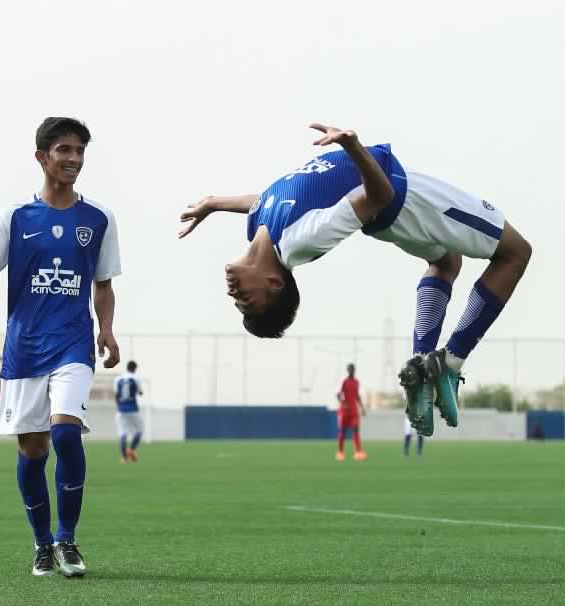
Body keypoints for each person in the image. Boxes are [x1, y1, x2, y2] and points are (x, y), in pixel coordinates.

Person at [178, 122, 531, 438]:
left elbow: (264, 200)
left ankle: (422, 365)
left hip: (399, 214)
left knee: (445, 263)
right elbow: (380, 196)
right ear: (274, 283)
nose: (233, 293)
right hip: (412, 200)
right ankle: (451, 363)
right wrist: (353, 146)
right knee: (515, 253)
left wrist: (213, 203)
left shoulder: (260, 226)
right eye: (247, 300)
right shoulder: (303, 240)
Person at [0, 117, 122, 578]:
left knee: (67, 433)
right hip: (25, 349)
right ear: (41, 156)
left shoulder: (99, 218)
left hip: (73, 342)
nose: (73, 158)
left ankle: (68, 540)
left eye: (80, 151)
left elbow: (103, 284)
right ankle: (42, 543)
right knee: (32, 450)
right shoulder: (14, 217)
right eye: (64, 149)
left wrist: (106, 329)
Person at [336, 363, 368, 461]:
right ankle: (340, 452)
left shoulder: (356, 382)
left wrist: (362, 407)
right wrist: (342, 403)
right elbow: (338, 394)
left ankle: (358, 452)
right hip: (344, 410)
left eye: (352, 369)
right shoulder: (344, 381)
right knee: (343, 431)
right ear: (347, 370)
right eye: (349, 369)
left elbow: (357, 395)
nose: (351, 371)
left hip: (354, 410)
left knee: (355, 430)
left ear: (354, 370)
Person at [114, 360, 144, 463]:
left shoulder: (118, 379)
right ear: (135, 369)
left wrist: (119, 406)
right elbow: (140, 393)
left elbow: (116, 395)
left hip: (121, 410)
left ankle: (123, 458)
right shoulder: (136, 378)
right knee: (139, 430)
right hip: (133, 409)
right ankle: (131, 449)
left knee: (122, 433)